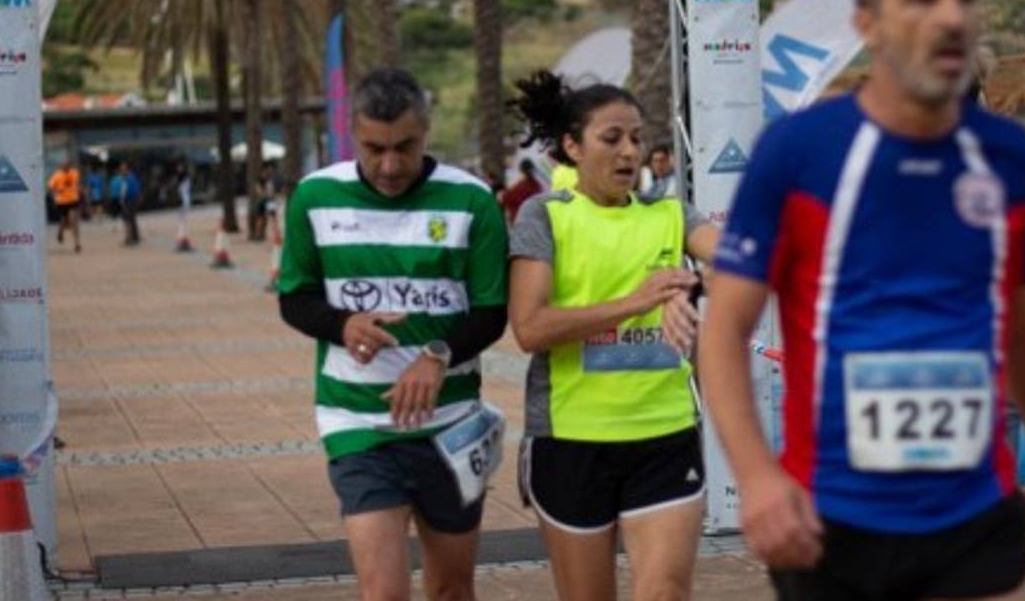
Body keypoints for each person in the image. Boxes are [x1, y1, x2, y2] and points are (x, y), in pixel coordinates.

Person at [697, 0, 1025, 600]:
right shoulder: (797, 153)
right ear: (868, 23)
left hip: (975, 515)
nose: (951, 16)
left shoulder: (1008, 155)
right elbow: (722, 331)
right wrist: (755, 478)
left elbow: (1024, 319)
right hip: (828, 523)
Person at [277, 68, 509, 601]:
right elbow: (295, 298)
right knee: (383, 592)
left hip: (452, 426)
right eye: (373, 148)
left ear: (427, 131)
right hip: (357, 423)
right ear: (351, 134)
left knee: (452, 588)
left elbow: (492, 312)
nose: (389, 165)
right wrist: (341, 323)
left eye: (404, 147)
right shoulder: (314, 197)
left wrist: (437, 354)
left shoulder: (472, 202)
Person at [507, 70, 721, 601]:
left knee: (666, 593)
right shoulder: (546, 216)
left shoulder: (671, 214)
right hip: (572, 440)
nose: (630, 152)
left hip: (664, 435)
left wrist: (691, 287)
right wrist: (639, 301)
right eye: (612, 139)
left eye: (637, 138)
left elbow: (741, 259)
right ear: (572, 147)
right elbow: (530, 328)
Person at [47, 159, 83, 253]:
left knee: (73, 221)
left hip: (73, 200)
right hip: (62, 202)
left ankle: (77, 243)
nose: (66, 167)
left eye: (68, 165)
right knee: (63, 220)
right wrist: (56, 191)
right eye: (64, 165)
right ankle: (60, 232)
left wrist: (79, 191)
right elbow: (50, 187)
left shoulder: (75, 173)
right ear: (61, 166)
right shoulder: (57, 175)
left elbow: (77, 184)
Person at [500, 159, 543, 225]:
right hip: (535, 222)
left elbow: (504, 199)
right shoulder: (537, 186)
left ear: (521, 171)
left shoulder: (520, 187)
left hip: (520, 223)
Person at [116, 161, 142, 246]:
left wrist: (122, 200)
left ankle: (130, 238)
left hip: (130, 200)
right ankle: (134, 237)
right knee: (131, 219)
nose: (122, 171)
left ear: (127, 169)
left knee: (128, 219)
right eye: (121, 169)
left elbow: (126, 191)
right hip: (130, 200)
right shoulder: (129, 177)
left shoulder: (128, 178)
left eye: (123, 169)